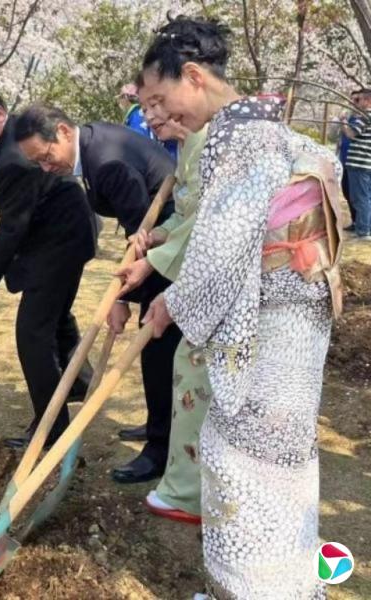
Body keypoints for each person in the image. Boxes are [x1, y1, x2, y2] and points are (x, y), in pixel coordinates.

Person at [139, 17, 343, 598]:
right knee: (283, 454)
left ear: (194, 76)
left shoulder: (238, 138)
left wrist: (172, 302)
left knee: (242, 456)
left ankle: (255, 589)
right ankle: (291, 584)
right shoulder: (267, 128)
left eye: (161, 100)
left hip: (272, 315)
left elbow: (223, 244)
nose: (158, 116)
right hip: (296, 307)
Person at [15, 103, 180, 484]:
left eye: (46, 157)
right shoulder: (90, 146)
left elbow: (140, 231)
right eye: (37, 162)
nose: (46, 168)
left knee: (157, 343)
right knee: (154, 344)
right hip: (153, 239)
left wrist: (121, 298)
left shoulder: (106, 162)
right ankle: (159, 423)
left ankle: (161, 447)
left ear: (63, 132)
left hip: (169, 240)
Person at [0, 82, 95, 449]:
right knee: (54, 317)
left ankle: (52, 430)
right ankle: (78, 382)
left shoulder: (18, 155)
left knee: (33, 334)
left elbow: (12, 229)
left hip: (59, 242)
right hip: (60, 236)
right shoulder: (11, 139)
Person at [117, 85, 211, 524]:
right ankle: (169, 450)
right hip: (184, 266)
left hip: (210, 275)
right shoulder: (186, 145)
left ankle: (187, 480)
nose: (149, 115)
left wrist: (153, 262)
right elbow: (184, 214)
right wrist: (157, 234)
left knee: (187, 367)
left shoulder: (212, 143)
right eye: (144, 106)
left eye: (157, 104)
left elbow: (206, 221)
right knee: (170, 361)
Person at [341, 88, 371, 239]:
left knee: (360, 198)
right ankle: (364, 228)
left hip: (359, 164)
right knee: (365, 197)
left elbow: (350, 134)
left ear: (367, 101)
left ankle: (363, 231)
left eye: (360, 100)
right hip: (366, 163)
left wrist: (343, 121)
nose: (358, 103)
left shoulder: (365, 117)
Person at [336, 90, 360, 231]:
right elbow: (342, 135)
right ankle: (355, 221)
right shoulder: (351, 117)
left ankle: (362, 223)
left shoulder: (362, 119)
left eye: (356, 100)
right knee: (346, 191)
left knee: (357, 194)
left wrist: (343, 122)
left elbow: (351, 134)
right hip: (344, 160)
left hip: (356, 162)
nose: (353, 103)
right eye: (351, 100)